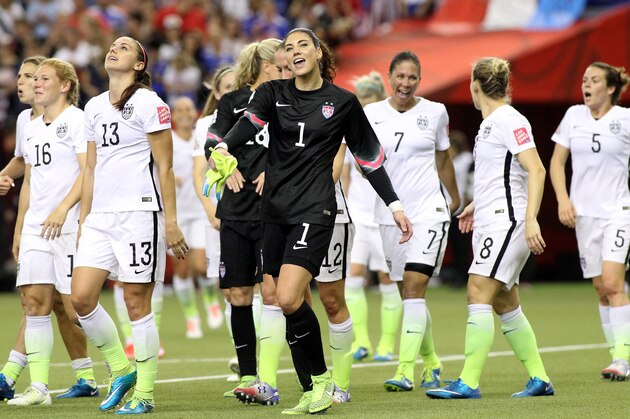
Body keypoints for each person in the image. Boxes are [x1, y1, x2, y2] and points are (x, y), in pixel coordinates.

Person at [206, 27, 412, 415]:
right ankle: (312, 388)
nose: (295, 51)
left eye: (304, 45)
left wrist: (395, 206)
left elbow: (369, 158)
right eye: (289, 47)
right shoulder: (271, 94)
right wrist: (221, 147)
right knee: (287, 303)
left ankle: (321, 382)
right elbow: (245, 127)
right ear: (284, 59)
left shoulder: (343, 102)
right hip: (274, 212)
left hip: (315, 210)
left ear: (318, 53)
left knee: (287, 297)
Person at [71, 36, 188, 414]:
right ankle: (122, 369)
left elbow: (165, 166)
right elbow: (89, 167)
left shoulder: (150, 103)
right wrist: (83, 219)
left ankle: (145, 395)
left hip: (139, 213)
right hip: (100, 217)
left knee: (136, 302)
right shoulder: (92, 106)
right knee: (80, 298)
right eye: (112, 45)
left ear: (139, 64)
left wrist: (171, 222)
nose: (113, 49)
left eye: (124, 47)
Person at [426, 57, 554, 399]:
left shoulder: (509, 120)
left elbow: (536, 170)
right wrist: (475, 204)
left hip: (507, 221)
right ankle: (539, 378)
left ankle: (468, 381)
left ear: (474, 85)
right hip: (492, 216)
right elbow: (503, 176)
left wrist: (530, 220)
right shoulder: (490, 124)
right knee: (504, 303)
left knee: (477, 291)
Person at [0, 56, 99, 403]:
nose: (27, 82)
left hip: (68, 225)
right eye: (26, 76)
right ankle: (38, 383)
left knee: (72, 308)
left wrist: (67, 211)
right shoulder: (28, 122)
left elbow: (87, 171)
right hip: (36, 227)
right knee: (36, 302)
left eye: (36, 76)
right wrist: (18, 229)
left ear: (63, 84)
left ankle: (120, 365)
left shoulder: (74, 120)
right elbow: (26, 170)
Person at [365, 51, 459, 393]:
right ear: (390, 77)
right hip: (389, 213)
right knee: (408, 292)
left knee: (416, 287)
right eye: (400, 76)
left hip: (428, 211)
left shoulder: (435, 112)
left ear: (419, 80)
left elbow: (443, 157)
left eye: (412, 77)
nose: (406, 83)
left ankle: (405, 370)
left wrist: (454, 197)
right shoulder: (370, 114)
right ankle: (432, 362)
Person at [206, 37, 283, 402]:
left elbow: (297, 146)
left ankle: (269, 376)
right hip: (235, 210)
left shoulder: (287, 101)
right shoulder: (232, 102)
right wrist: (226, 163)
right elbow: (212, 142)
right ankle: (248, 372)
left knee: (272, 293)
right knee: (238, 293)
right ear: (265, 65)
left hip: (274, 211)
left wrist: (276, 170)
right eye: (279, 61)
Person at [549, 62, 630, 381]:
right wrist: (563, 199)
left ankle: (622, 359)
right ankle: (618, 356)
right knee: (600, 288)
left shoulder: (624, 119)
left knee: (613, 282)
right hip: (584, 215)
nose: (587, 84)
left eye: (594, 80)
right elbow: (557, 162)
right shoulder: (573, 116)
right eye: (584, 79)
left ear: (610, 88)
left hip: (618, 212)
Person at [343, 71, 403, 364]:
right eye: (361, 100)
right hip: (356, 215)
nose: (364, 105)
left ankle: (386, 345)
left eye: (369, 99)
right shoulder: (347, 127)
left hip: (383, 216)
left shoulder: (388, 130)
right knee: (352, 277)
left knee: (386, 278)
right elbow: (343, 173)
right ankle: (362, 340)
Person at [192, 65, 237, 379]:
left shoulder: (255, 116)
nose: (232, 91)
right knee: (230, 289)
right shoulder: (205, 125)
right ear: (217, 92)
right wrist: (210, 211)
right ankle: (243, 355)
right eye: (226, 87)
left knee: (258, 287)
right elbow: (199, 173)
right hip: (218, 216)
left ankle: (262, 356)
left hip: (249, 212)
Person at [170, 95, 219, 339]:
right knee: (181, 271)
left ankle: (211, 302)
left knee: (201, 264)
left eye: (188, 109)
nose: (184, 113)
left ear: (194, 113)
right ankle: (191, 317)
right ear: (173, 115)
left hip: (201, 211)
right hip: (177, 216)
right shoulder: (167, 140)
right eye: (179, 109)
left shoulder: (203, 136)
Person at [441, 129, 474, 287]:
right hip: (448, 208)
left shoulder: (467, 160)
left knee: (463, 246)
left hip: (464, 208)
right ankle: (457, 275)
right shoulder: (448, 161)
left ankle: (464, 275)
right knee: (453, 245)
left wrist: (469, 201)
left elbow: (471, 181)